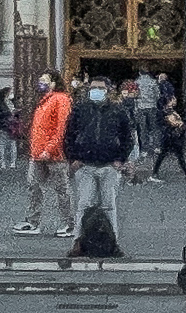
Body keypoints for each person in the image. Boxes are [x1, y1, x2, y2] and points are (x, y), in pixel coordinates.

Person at [63, 73, 136, 253]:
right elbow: (69, 135)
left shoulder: (117, 110)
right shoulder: (80, 109)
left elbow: (128, 137)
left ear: (108, 90)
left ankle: (113, 244)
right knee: (84, 205)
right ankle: (78, 244)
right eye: (93, 88)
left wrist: (120, 159)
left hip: (109, 165)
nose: (96, 91)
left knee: (109, 206)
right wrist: (73, 159)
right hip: (85, 165)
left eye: (100, 88)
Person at [17, 72, 75, 237]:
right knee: (33, 186)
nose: (40, 83)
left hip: (54, 154)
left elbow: (61, 128)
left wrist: (49, 149)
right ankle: (32, 221)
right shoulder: (44, 101)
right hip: (37, 153)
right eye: (40, 80)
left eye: (44, 80)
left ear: (54, 83)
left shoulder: (61, 99)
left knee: (62, 189)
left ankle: (68, 224)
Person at [155, 88, 186, 181]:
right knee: (175, 154)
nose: (175, 100)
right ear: (168, 102)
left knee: (168, 154)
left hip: (171, 136)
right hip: (170, 136)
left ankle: (155, 173)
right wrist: (178, 125)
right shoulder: (165, 112)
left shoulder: (169, 111)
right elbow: (173, 123)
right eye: (172, 99)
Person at [0, 88, 19, 171]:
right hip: (6, 126)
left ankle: (6, 163)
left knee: (5, 145)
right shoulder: (1, 104)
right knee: (9, 145)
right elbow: (1, 114)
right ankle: (9, 163)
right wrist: (12, 113)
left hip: (6, 126)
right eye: (9, 93)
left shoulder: (0, 103)